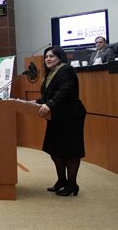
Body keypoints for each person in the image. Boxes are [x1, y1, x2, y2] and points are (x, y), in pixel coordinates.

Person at [36, 46, 86, 196]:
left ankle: (72, 184)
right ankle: (61, 181)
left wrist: (49, 104)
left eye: (51, 56)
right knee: (55, 150)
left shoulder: (66, 70)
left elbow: (65, 90)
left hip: (70, 116)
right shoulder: (50, 73)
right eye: (46, 56)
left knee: (70, 151)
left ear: (60, 57)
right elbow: (47, 96)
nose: (48, 59)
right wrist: (35, 102)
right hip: (56, 116)